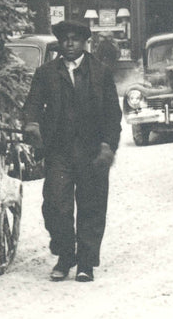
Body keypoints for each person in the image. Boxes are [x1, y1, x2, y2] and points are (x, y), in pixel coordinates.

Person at [21, 18, 122, 282]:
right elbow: (32, 103)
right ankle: (65, 255)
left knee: (91, 207)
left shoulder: (100, 73)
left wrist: (107, 146)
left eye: (74, 39)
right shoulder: (46, 73)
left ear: (85, 42)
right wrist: (32, 123)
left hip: (92, 152)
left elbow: (113, 115)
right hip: (59, 151)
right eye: (64, 39)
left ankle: (86, 263)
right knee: (56, 206)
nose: (69, 44)